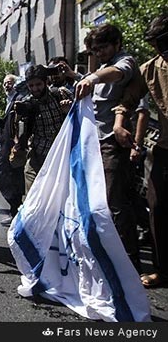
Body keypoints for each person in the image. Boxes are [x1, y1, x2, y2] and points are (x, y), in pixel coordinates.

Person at [74, 23, 141, 272]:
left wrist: (93, 77)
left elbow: (115, 73)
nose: (99, 53)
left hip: (112, 143)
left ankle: (130, 263)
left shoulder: (124, 62)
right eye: (95, 50)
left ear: (116, 44)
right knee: (97, 201)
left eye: (102, 48)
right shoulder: (101, 67)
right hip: (95, 142)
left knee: (116, 203)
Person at [111, 14, 168, 287]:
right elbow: (129, 101)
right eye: (160, 42)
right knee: (156, 209)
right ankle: (162, 269)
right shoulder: (149, 69)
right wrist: (120, 123)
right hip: (164, 150)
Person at [14, 65, 72, 191]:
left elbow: (79, 119)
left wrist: (68, 111)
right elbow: (19, 129)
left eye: (38, 84)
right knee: (32, 195)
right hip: (38, 154)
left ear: (46, 82)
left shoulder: (60, 95)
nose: (35, 89)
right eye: (31, 86)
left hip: (61, 155)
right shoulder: (27, 103)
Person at [0, 74, 26, 226]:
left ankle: (17, 210)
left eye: (9, 83)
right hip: (6, 143)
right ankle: (16, 211)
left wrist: (19, 142)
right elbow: (8, 125)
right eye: (4, 83)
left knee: (2, 174)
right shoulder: (9, 100)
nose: (6, 86)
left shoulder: (20, 98)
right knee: (9, 177)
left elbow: (20, 123)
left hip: (12, 145)